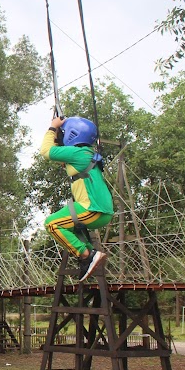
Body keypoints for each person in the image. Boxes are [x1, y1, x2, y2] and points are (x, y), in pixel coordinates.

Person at [41, 116, 114, 281]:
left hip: (93, 209)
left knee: (52, 223)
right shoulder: (85, 153)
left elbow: (46, 152)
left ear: (73, 135)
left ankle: (86, 255)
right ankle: (89, 256)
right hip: (98, 208)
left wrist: (53, 128)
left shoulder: (78, 153)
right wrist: (59, 138)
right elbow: (61, 159)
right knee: (72, 225)